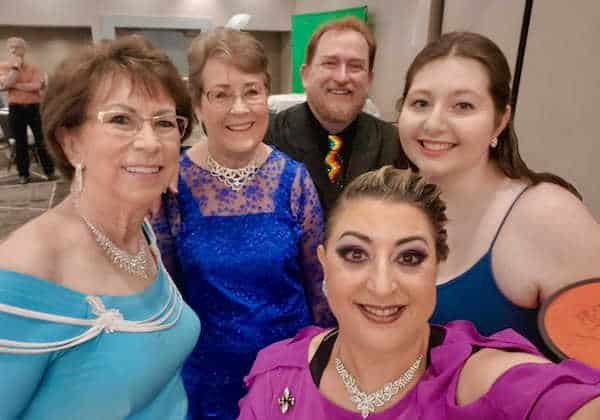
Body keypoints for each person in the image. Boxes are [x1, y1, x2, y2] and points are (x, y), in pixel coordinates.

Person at [239, 166, 600, 419]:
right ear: (324, 265)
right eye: (355, 254)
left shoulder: (478, 382)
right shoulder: (276, 377)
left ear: (436, 269)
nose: (381, 285)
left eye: (409, 257)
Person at [0, 35, 200, 419]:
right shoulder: (28, 268)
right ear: (71, 142)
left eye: (163, 122)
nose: (149, 141)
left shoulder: (140, 231)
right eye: (121, 119)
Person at [151, 28, 331, 420]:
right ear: (198, 104)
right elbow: (165, 295)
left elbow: (320, 292)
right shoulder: (171, 186)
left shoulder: (295, 181)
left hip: (287, 373)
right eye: (221, 94)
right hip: (206, 379)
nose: (239, 108)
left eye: (251, 91)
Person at [396, 31, 600, 355]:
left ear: (500, 121)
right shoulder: (386, 202)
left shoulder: (549, 215)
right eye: (420, 102)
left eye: (462, 106)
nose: (433, 123)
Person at [265, 16, 408, 214]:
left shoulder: (394, 145)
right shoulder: (267, 139)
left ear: (369, 80)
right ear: (305, 75)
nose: (342, 77)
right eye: (330, 63)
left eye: (355, 66)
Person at [0, 37, 55, 184]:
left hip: (34, 106)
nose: (14, 49)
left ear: (23, 49)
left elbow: (36, 86)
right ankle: (23, 175)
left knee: (42, 140)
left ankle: (49, 171)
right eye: (11, 47)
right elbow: (4, 84)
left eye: (17, 47)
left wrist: (15, 85)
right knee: (20, 142)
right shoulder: (4, 66)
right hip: (16, 107)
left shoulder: (34, 67)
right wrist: (15, 68)